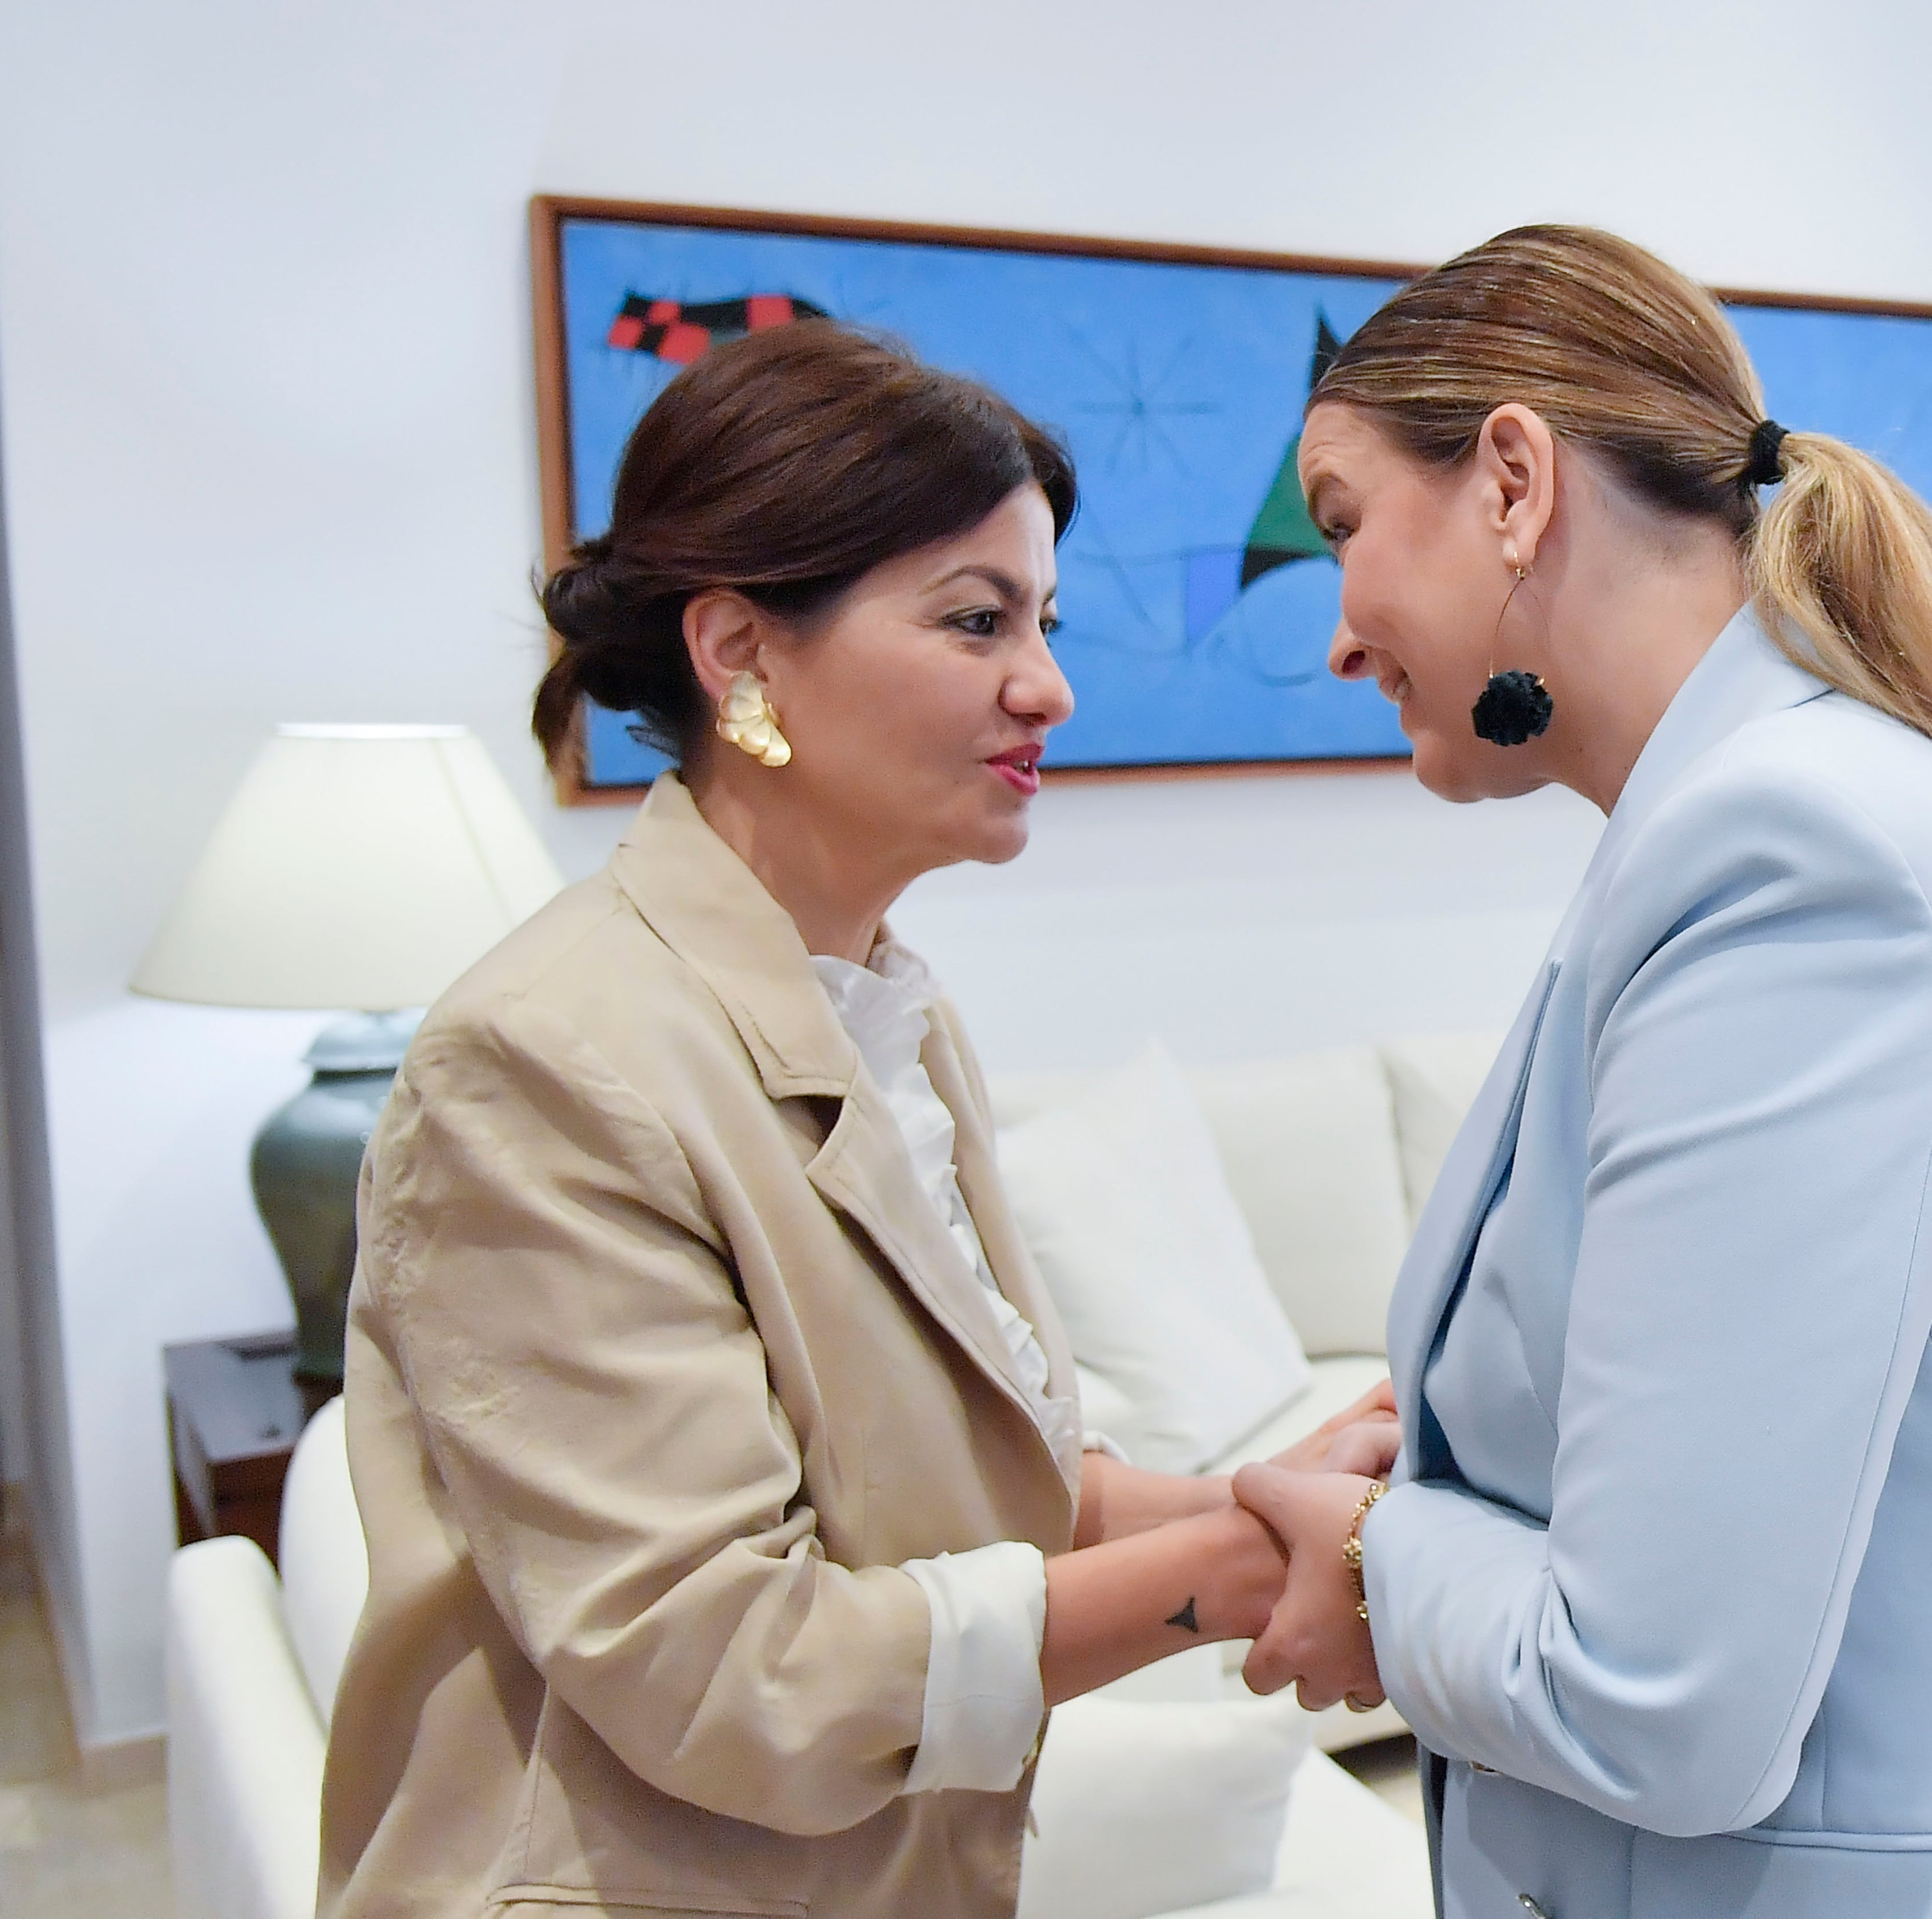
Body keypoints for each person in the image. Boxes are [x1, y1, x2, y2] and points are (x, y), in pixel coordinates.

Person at [1227, 227, 1932, 1919]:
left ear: (1512, 481)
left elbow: (1655, 1697)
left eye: (1344, 525)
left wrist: (1375, 1555)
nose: (1339, 637)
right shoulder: (1724, 826)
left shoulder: (1789, 855)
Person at [320, 320, 1389, 1919]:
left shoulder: (892, 1007)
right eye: (976, 620)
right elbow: (731, 1670)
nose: (1050, 683)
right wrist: (1242, 1567)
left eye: (1043, 615)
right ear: (741, 654)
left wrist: (1262, 1493)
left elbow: (952, 1485)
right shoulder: (545, 1064)